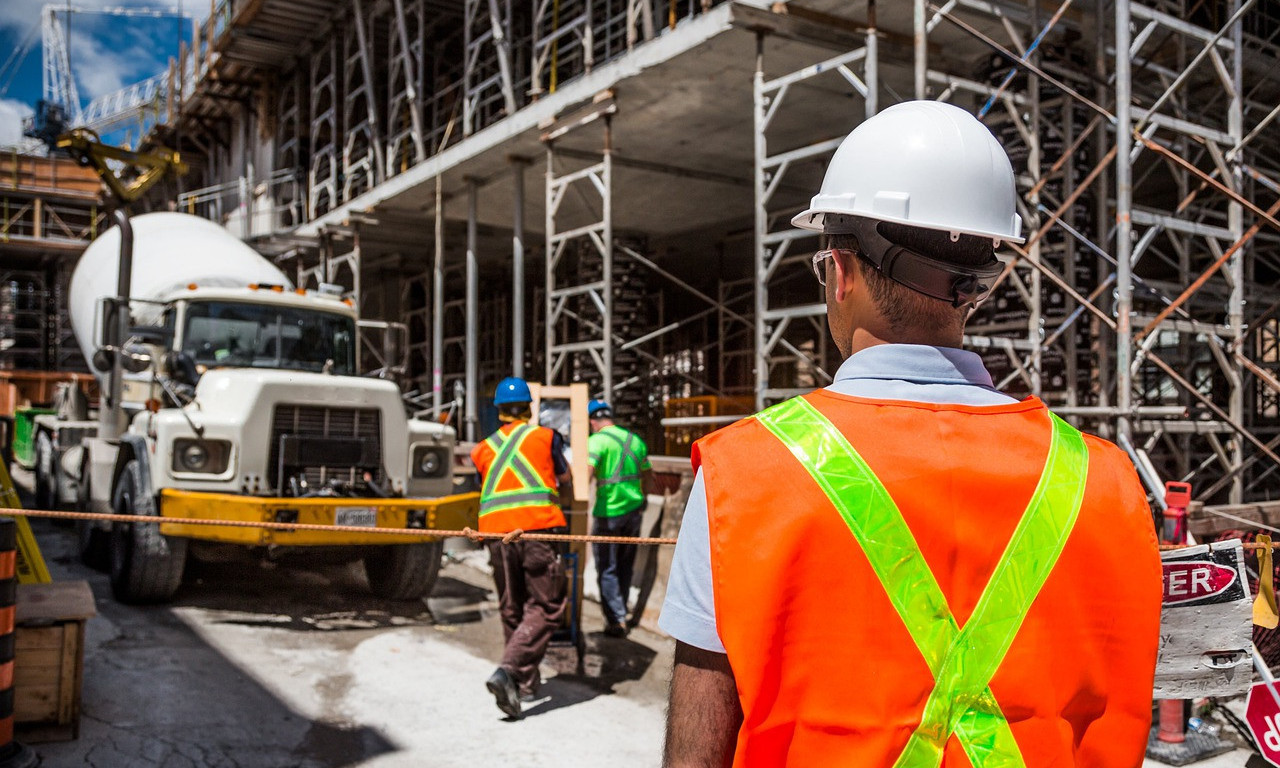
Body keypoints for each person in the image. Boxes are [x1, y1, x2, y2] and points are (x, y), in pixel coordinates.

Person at [659, 101, 1161, 767]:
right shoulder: (1104, 480)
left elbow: (698, 751)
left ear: (839, 272)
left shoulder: (744, 474)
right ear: (979, 285)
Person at [470, 376, 572, 719]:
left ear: (498, 411)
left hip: (497, 536)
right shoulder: (545, 437)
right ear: (530, 408)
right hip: (536, 530)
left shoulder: (482, 449)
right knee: (548, 605)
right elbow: (566, 478)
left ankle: (523, 684)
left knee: (512, 606)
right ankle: (509, 671)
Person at [586, 399, 653, 637]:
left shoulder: (596, 441)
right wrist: (642, 498)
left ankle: (616, 620)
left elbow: (587, 473)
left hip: (608, 514)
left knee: (607, 567)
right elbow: (648, 474)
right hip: (633, 513)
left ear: (593, 421)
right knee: (625, 565)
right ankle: (621, 610)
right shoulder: (635, 441)